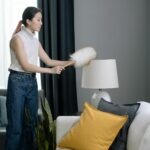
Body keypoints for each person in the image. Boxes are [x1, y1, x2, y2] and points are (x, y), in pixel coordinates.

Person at [5, 6, 75, 150]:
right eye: (38, 20)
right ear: (28, 21)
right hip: (17, 82)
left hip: (31, 82)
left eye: (41, 20)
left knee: (30, 125)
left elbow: (49, 61)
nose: (41, 23)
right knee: (16, 127)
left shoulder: (35, 42)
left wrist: (70, 62)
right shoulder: (17, 39)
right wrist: (51, 71)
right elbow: (25, 65)